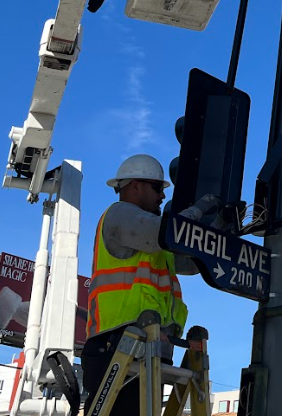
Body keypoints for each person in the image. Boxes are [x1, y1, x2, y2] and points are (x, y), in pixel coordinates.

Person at [81, 154, 199, 416]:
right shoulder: (120, 214)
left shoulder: (156, 240)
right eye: (157, 188)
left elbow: (192, 262)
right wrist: (196, 212)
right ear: (135, 187)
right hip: (117, 344)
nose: (162, 197)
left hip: (147, 347)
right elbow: (162, 234)